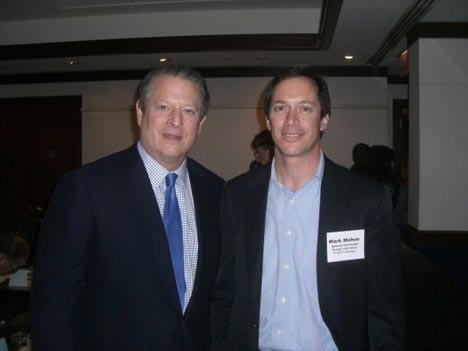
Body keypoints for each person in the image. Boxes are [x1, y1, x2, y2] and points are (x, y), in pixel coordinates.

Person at [30, 65, 225, 351]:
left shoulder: (216, 191)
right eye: (163, 107)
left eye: (188, 111)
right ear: (140, 112)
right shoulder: (86, 188)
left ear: (201, 123)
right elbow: (54, 301)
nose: (175, 121)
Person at [211, 66, 405, 350]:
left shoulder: (365, 199)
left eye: (305, 108)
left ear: (324, 119)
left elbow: (385, 308)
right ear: (267, 119)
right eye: (281, 108)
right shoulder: (237, 194)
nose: (291, 120)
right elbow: (224, 293)